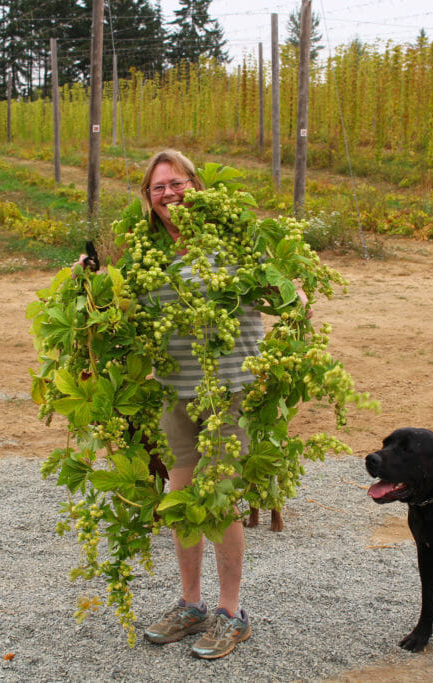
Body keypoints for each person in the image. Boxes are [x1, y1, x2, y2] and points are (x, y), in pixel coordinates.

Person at [136, 149, 260, 660]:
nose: (169, 193)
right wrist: (89, 276)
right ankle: (191, 606)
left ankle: (231, 615)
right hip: (175, 390)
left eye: (177, 182)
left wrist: (293, 295)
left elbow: (278, 286)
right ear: (148, 198)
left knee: (219, 499)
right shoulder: (145, 249)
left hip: (228, 389)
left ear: (197, 186)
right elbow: (124, 304)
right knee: (182, 499)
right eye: (158, 187)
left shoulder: (232, 236)